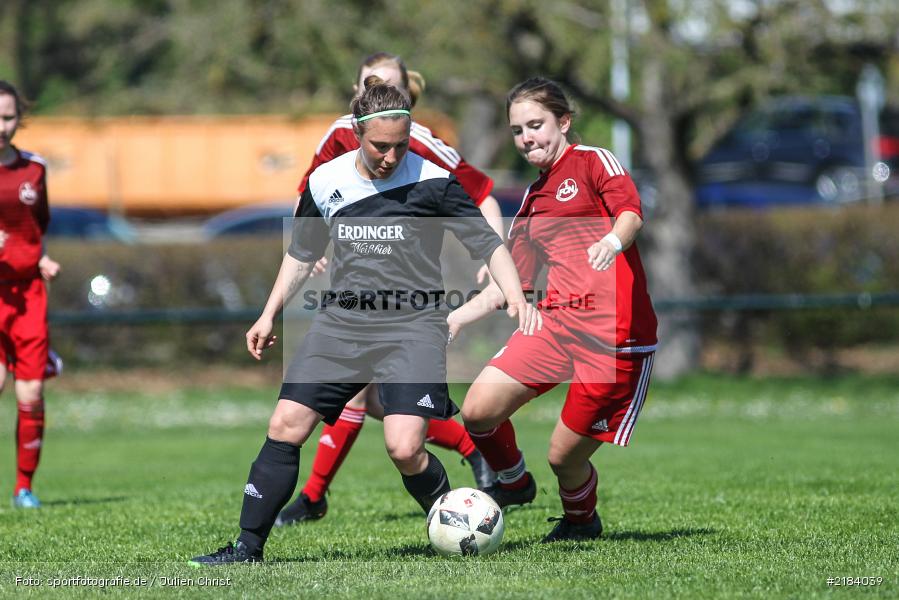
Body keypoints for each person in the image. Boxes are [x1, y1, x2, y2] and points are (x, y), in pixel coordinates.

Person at [191, 77, 538, 564]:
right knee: (286, 424)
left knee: (403, 447)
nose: (391, 157)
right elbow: (300, 254)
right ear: (356, 132)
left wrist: (515, 294)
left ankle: (458, 524)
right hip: (341, 326)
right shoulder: (325, 180)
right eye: (380, 147)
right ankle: (247, 547)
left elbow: (487, 243)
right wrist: (269, 314)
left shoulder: (433, 181)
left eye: (400, 145)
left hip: (414, 327)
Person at [277, 52, 503, 527]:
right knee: (376, 401)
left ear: (405, 96)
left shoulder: (419, 143)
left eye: (386, 83)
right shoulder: (340, 133)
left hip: (406, 290)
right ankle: (467, 450)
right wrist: (310, 245)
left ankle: (315, 496)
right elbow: (310, 197)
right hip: (352, 289)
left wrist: (494, 255)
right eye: (367, 83)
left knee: (369, 401)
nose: (373, 89)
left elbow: (479, 192)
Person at [447, 77, 658, 542]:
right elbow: (512, 284)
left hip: (613, 339)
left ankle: (582, 522)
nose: (527, 138)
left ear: (563, 121)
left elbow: (632, 212)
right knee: (478, 410)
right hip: (556, 324)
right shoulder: (534, 199)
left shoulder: (592, 162)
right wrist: (459, 316)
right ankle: (514, 482)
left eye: (536, 125)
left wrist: (611, 239)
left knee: (564, 457)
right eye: (518, 130)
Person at [0, 80, 62, 509]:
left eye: (7, 117)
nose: (0, 125)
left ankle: (24, 488)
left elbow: (37, 225)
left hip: (29, 296)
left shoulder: (34, 169)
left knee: (31, 395)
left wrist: (39, 258)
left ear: (20, 118)